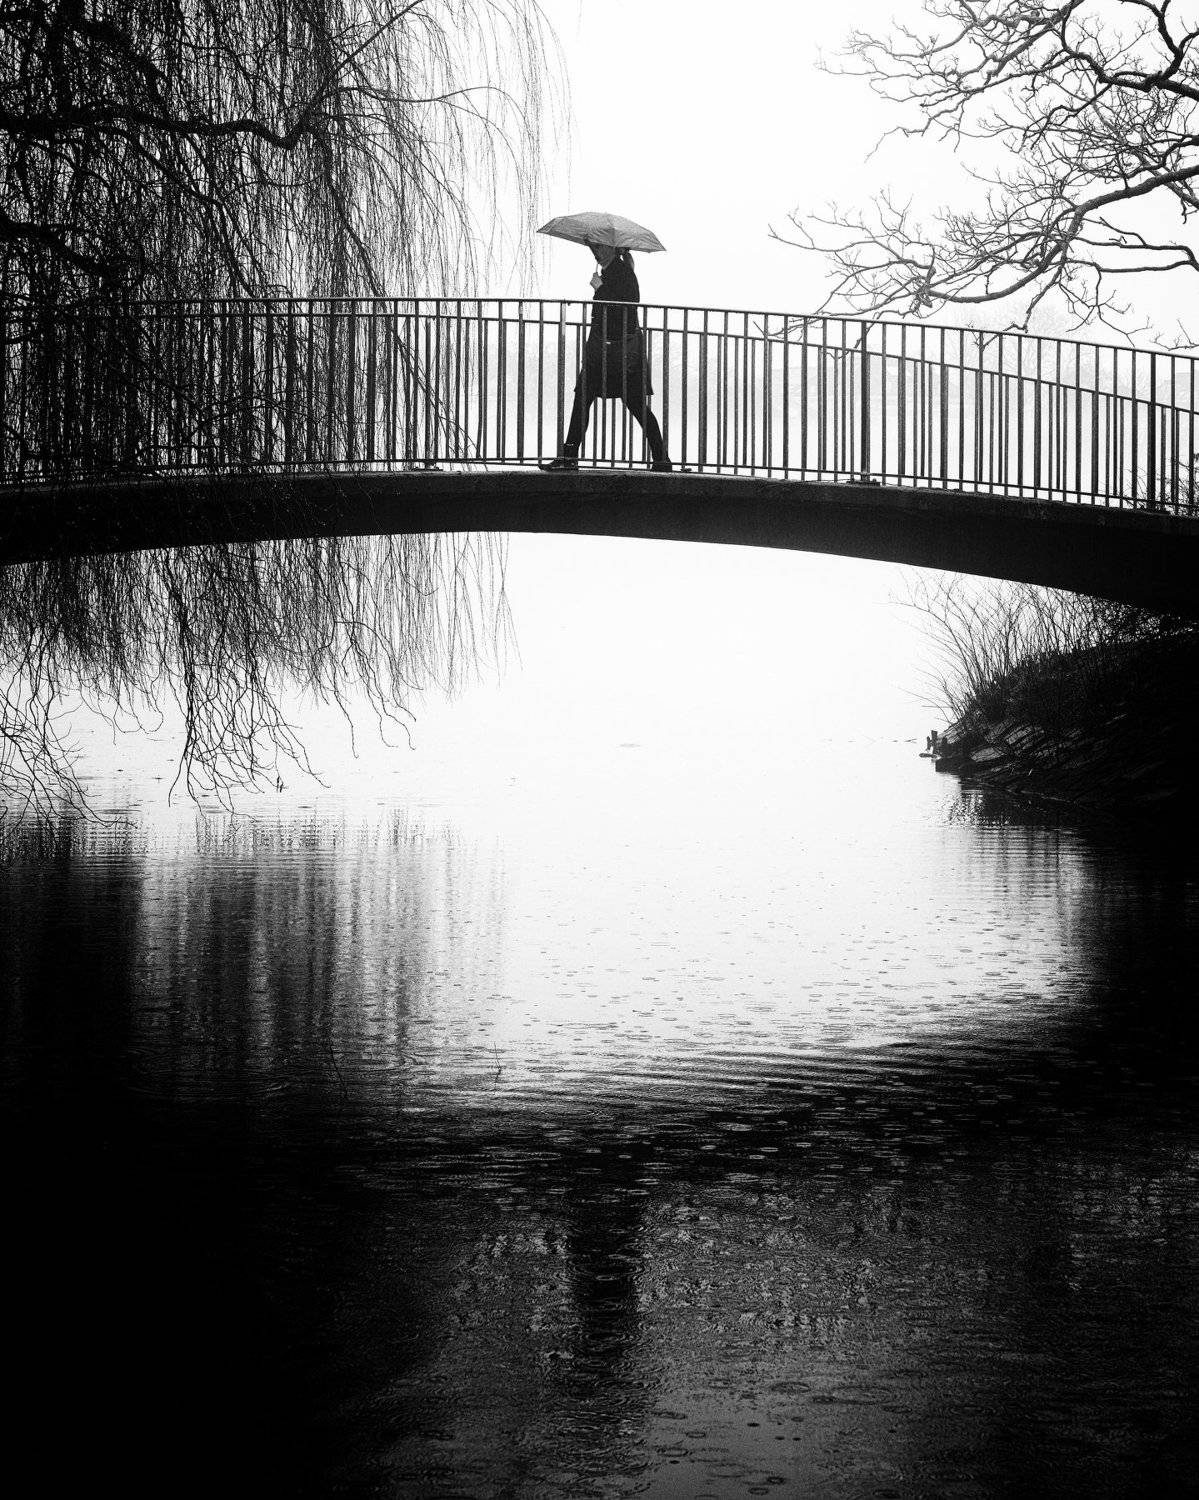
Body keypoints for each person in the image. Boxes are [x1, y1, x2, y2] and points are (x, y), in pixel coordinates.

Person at [541, 244, 672, 472]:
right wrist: (600, 287)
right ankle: (661, 459)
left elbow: (626, 304)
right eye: (593, 249)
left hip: (615, 355)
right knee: (603, 402)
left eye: (600, 248)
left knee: (625, 405)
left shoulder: (622, 272)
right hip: (613, 355)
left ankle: (569, 457)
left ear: (613, 249)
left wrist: (599, 289)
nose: (596, 253)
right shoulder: (616, 271)